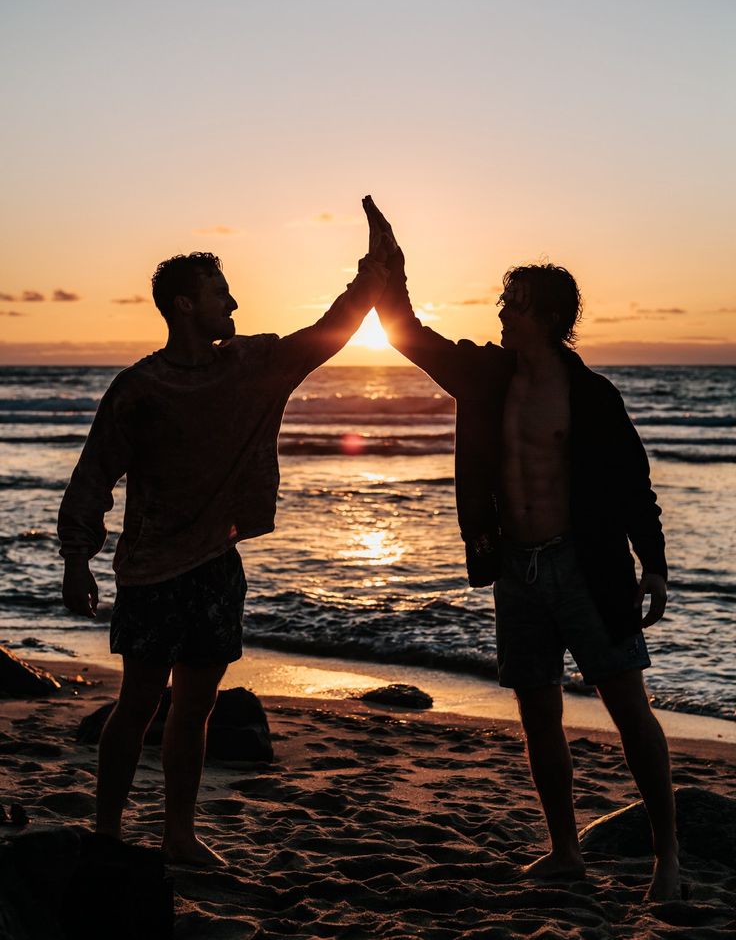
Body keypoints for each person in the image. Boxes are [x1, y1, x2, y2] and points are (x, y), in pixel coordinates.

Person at [364, 196, 680, 901]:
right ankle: (566, 850)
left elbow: (634, 486)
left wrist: (652, 561)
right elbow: (407, 335)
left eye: (509, 302)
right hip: (516, 566)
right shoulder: (485, 376)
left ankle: (667, 857)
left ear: (540, 309)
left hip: (587, 567)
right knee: (538, 712)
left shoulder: (592, 396)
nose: (499, 313)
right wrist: (393, 269)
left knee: (629, 706)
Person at [59, 212, 390, 865]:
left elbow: (324, 334)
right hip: (151, 571)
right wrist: (77, 559)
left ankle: (177, 834)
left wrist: (372, 272)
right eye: (220, 291)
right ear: (185, 305)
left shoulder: (248, 366)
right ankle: (106, 832)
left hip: (215, 564)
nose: (233, 301)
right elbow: (93, 474)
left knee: (197, 708)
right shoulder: (139, 389)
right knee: (139, 702)